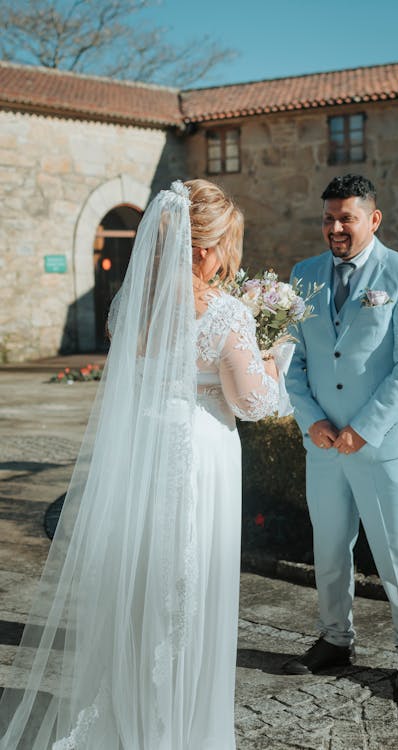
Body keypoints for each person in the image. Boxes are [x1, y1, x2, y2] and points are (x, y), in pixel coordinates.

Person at [0, 179, 280, 749]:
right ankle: (182, 727)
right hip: (200, 458)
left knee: (146, 587)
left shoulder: (131, 304)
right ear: (204, 248)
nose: (230, 256)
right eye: (227, 243)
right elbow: (251, 403)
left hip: (144, 455)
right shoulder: (225, 315)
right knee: (192, 586)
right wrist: (277, 360)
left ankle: (135, 713)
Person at [283, 174, 398, 700]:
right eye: (328, 218)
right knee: (328, 547)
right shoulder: (303, 275)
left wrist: (364, 429)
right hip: (323, 444)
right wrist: (312, 421)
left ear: (372, 219)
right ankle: (334, 639)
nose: (335, 228)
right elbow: (292, 361)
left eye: (346, 217)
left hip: (384, 445)